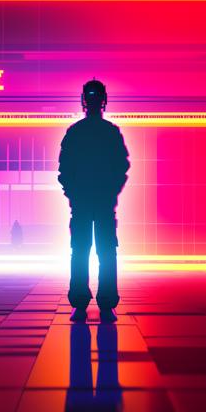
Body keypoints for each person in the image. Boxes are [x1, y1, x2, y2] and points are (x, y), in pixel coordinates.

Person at [58, 79, 130, 322]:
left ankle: (80, 300)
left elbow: (64, 169)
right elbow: (122, 166)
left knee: (80, 250)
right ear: (104, 100)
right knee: (106, 251)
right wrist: (111, 193)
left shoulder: (75, 132)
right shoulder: (110, 132)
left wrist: (73, 194)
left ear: (84, 101)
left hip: (82, 203)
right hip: (102, 202)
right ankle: (106, 301)